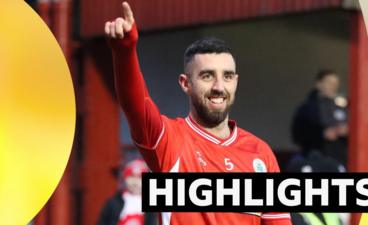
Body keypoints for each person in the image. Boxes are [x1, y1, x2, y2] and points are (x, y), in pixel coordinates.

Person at [104, 2, 292, 225]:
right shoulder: (168, 140)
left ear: (236, 82)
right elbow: (135, 105)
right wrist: (124, 52)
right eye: (207, 76)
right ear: (186, 83)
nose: (219, 87)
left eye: (228, 76)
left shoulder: (261, 153)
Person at [291, 70, 348, 166]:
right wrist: (322, 134)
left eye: (335, 83)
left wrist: (346, 130)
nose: (333, 86)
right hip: (315, 159)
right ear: (319, 84)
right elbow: (297, 135)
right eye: (329, 82)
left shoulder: (345, 106)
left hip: (341, 160)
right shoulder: (307, 109)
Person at [97, 159, 157, 225]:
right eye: (132, 177)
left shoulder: (152, 205)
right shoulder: (113, 203)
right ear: (125, 179)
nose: (135, 182)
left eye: (139, 178)